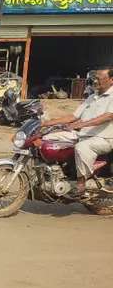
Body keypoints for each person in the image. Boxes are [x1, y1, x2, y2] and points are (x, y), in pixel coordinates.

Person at [41, 66, 113, 194]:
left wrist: (83, 124)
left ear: (111, 80)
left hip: (103, 138)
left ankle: (81, 183)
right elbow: (73, 116)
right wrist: (46, 123)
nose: (95, 81)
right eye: (95, 78)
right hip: (82, 134)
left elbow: (107, 117)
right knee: (46, 138)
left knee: (81, 147)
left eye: (100, 79)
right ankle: (54, 173)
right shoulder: (92, 97)